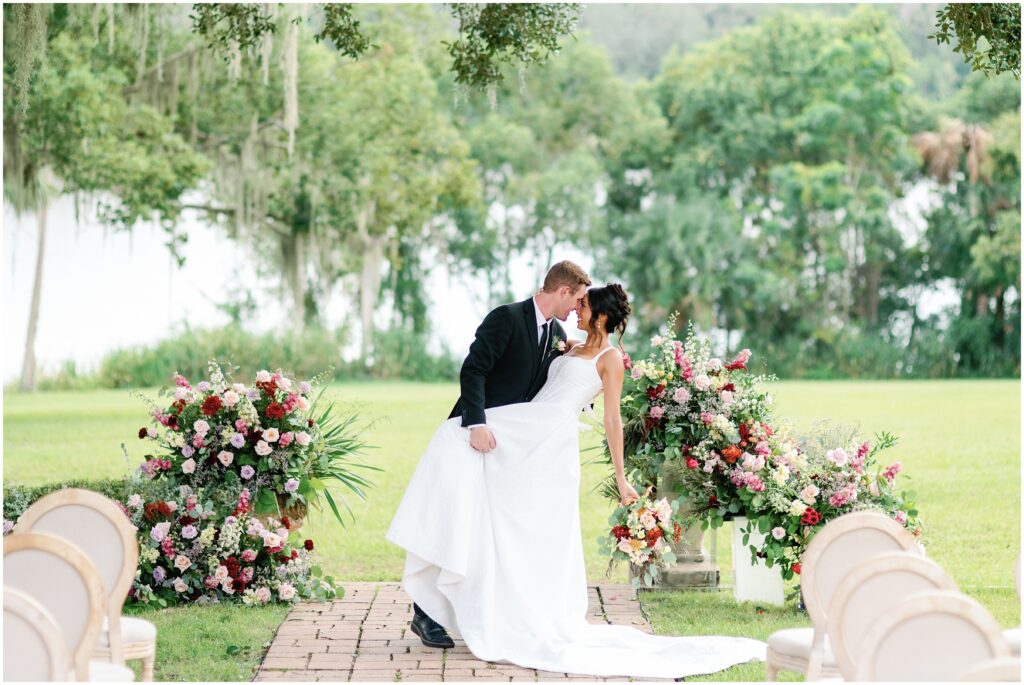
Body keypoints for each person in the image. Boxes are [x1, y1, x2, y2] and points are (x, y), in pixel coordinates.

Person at [385, 275, 766, 678]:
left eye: (584, 307)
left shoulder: (610, 359)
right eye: (577, 303)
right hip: (525, 431)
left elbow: (613, 418)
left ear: (600, 316)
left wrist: (622, 480)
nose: (577, 311)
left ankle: (511, 611)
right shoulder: (566, 343)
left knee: (528, 528)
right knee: (474, 484)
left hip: (550, 444)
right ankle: (452, 600)